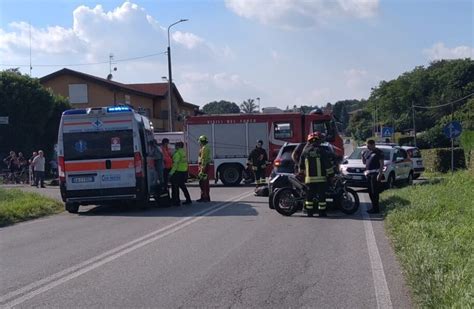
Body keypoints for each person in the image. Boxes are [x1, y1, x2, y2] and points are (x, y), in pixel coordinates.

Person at [299, 132, 335, 217]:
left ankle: (309, 212)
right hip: (321, 179)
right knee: (321, 198)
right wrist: (331, 175)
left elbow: (301, 166)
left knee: (309, 197)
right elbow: (328, 164)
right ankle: (321, 212)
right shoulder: (321, 151)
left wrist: (301, 174)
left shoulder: (305, 152)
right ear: (318, 141)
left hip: (309, 180)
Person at [362, 139, 385, 214]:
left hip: (375, 174)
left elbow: (381, 164)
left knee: (374, 192)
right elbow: (364, 162)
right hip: (368, 174)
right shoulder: (367, 152)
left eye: (368, 146)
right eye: (366, 146)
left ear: (373, 144)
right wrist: (362, 155)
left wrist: (380, 174)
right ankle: (373, 207)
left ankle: (376, 209)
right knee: (370, 192)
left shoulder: (379, 152)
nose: (367, 147)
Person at [169, 141, 192, 206]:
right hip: (183, 171)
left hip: (177, 172)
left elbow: (175, 165)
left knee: (175, 187)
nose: (175, 147)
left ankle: (176, 201)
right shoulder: (183, 152)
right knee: (183, 186)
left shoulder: (177, 153)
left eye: (176, 146)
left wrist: (171, 173)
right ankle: (188, 199)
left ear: (178, 146)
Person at [197, 135, 211, 202]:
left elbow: (203, 159)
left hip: (204, 167)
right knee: (205, 182)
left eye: (200, 142)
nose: (199, 143)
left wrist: (202, 169)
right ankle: (206, 197)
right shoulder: (206, 147)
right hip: (205, 166)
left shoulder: (204, 148)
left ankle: (204, 197)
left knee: (203, 183)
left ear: (202, 142)